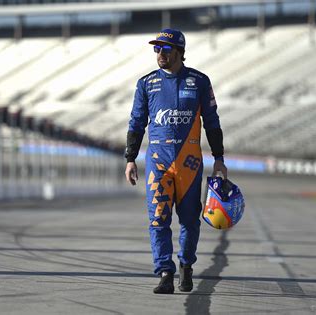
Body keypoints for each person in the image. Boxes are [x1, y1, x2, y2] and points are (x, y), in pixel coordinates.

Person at [124, 28, 227, 294]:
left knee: (190, 220)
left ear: (179, 51)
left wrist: (219, 158)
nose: (160, 53)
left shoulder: (200, 81)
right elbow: (136, 122)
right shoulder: (145, 84)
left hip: (189, 163)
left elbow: (212, 122)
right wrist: (130, 158)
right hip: (157, 161)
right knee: (158, 219)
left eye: (165, 49)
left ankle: (186, 266)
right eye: (156, 49)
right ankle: (165, 272)